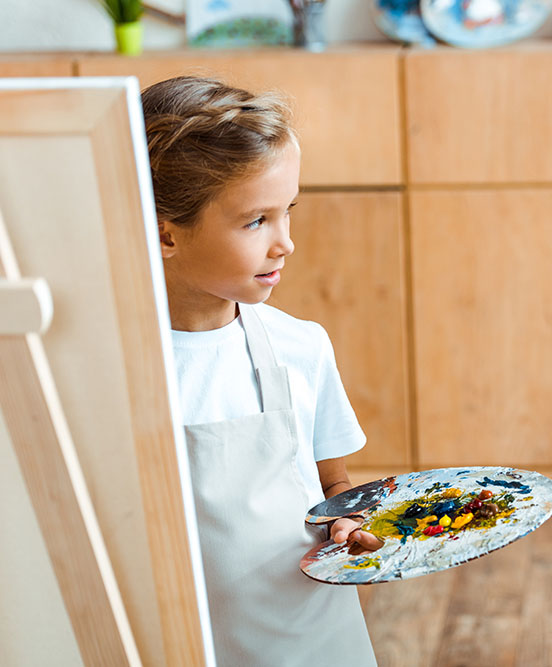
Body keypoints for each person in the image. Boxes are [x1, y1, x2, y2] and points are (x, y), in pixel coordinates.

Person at [142, 75, 381, 666]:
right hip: (183, 645)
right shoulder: (116, 373)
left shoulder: (301, 347)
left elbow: (333, 487)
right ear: (168, 233)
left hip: (309, 636)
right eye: (257, 221)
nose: (286, 244)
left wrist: (346, 524)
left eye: (287, 212)